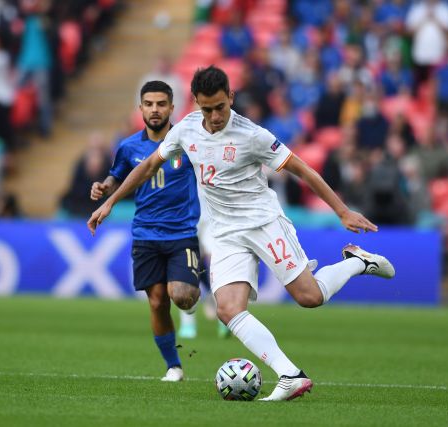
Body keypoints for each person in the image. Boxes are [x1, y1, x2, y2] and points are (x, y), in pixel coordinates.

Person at [87, 66, 395, 401]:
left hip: (263, 223)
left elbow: (301, 169)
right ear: (196, 104)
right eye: (207, 109)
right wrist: (111, 202)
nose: (215, 116)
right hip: (226, 234)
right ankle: (290, 374)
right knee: (228, 309)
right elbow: (147, 166)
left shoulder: (253, 136)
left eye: (220, 107)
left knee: (310, 298)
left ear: (230, 97)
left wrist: (342, 211)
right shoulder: (188, 129)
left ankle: (356, 262)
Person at [89, 81, 201, 382]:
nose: (155, 110)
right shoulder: (128, 147)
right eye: (149, 104)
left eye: (161, 104)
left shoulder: (187, 142)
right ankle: (174, 365)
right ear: (140, 108)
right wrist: (104, 187)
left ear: (171, 108)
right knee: (156, 301)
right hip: (145, 233)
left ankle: (192, 289)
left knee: (182, 296)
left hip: (182, 231)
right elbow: (117, 177)